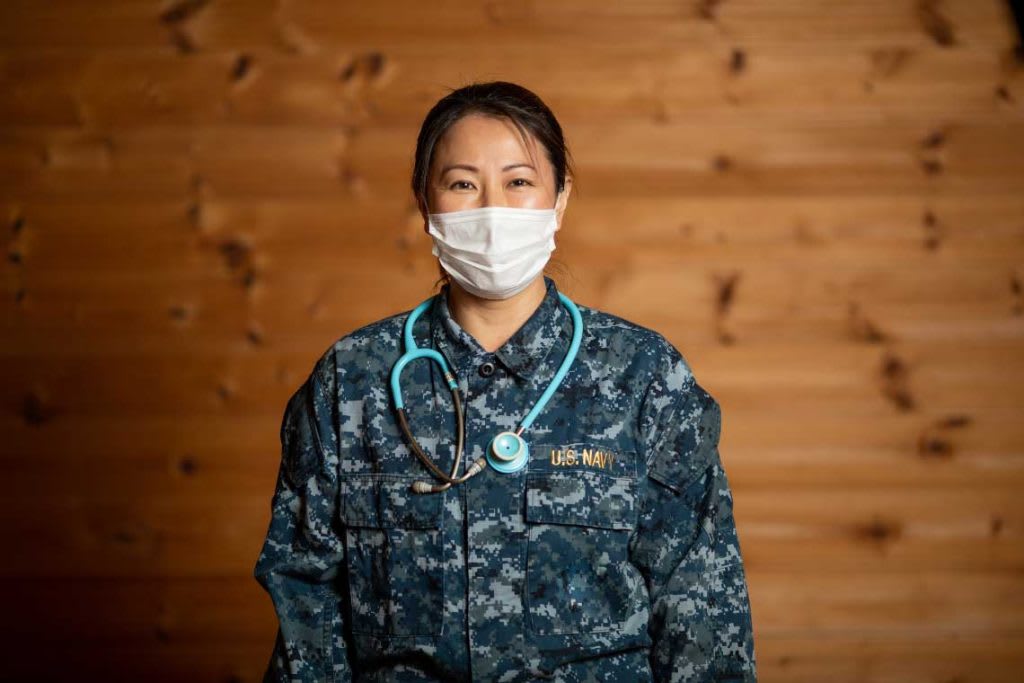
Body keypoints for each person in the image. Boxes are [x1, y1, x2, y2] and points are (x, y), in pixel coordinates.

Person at [254, 81, 757, 683]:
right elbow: (306, 597)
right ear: (424, 202)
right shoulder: (354, 379)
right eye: (462, 183)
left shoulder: (644, 375)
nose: (492, 209)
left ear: (560, 199)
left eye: (519, 182)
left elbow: (700, 607)